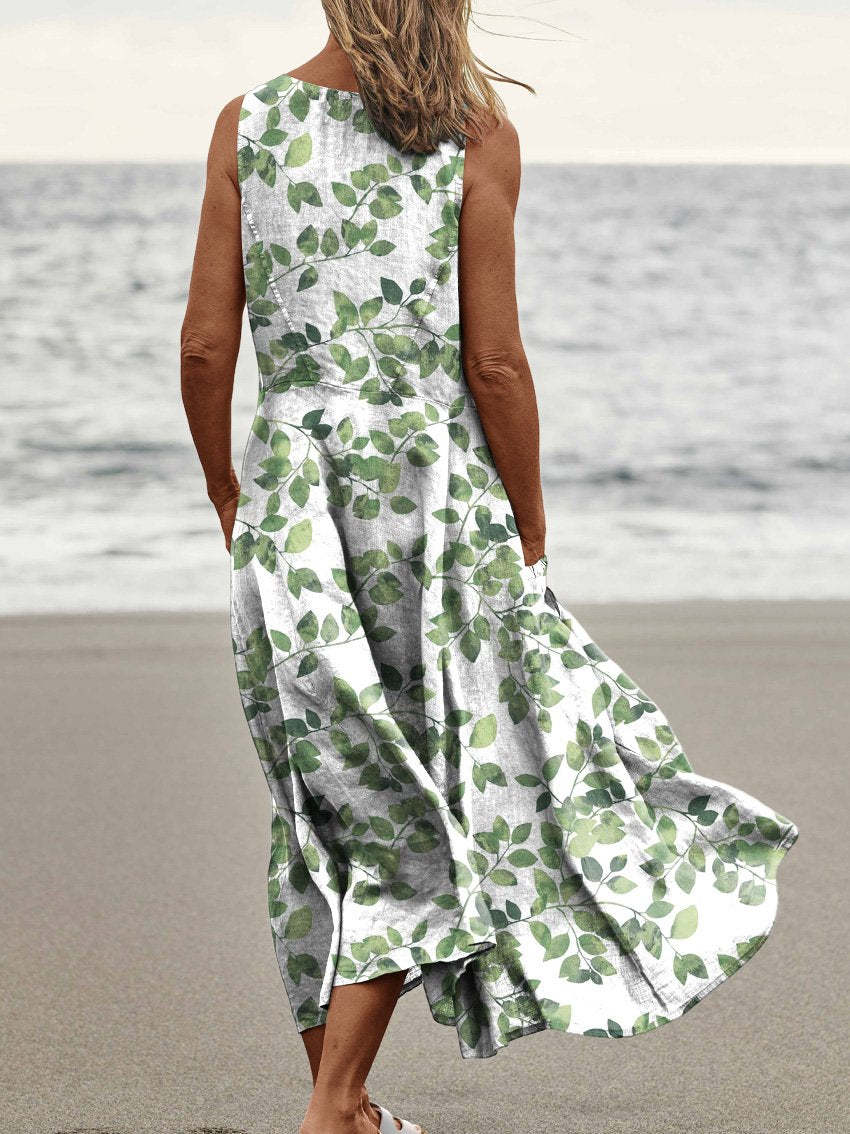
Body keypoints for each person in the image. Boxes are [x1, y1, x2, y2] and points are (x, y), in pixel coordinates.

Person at [180, 6, 798, 1134]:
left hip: (295, 506)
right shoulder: (472, 131)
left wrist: (228, 487)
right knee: (444, 773)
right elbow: (495, 360)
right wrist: (531, 522)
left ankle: (342, 1103)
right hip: (433, 508)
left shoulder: (248, 122)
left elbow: (206, 345)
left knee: (325, 791)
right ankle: (337, 1107)